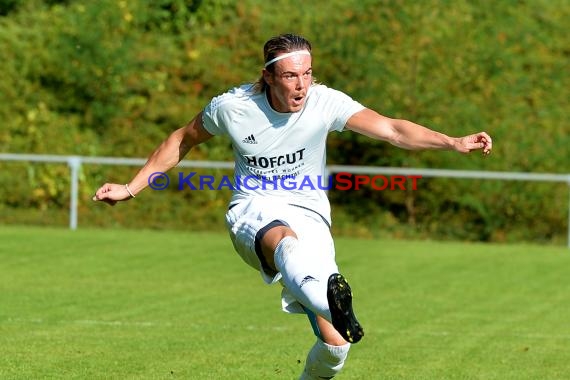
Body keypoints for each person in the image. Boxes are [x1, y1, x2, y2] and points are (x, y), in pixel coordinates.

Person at [93, 33, 492, 379]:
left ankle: (326, 315)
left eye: (307, 74)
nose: (301, 85)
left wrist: (452, 141)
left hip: (311, 212)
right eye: (290, 76)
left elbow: (392, 129)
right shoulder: (233, 107)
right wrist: (131, 188)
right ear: (268, 76)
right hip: (254, 210)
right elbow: (182, 139)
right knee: (284, 239)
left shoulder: (325, 102)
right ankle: (329, 299)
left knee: (336, 347)